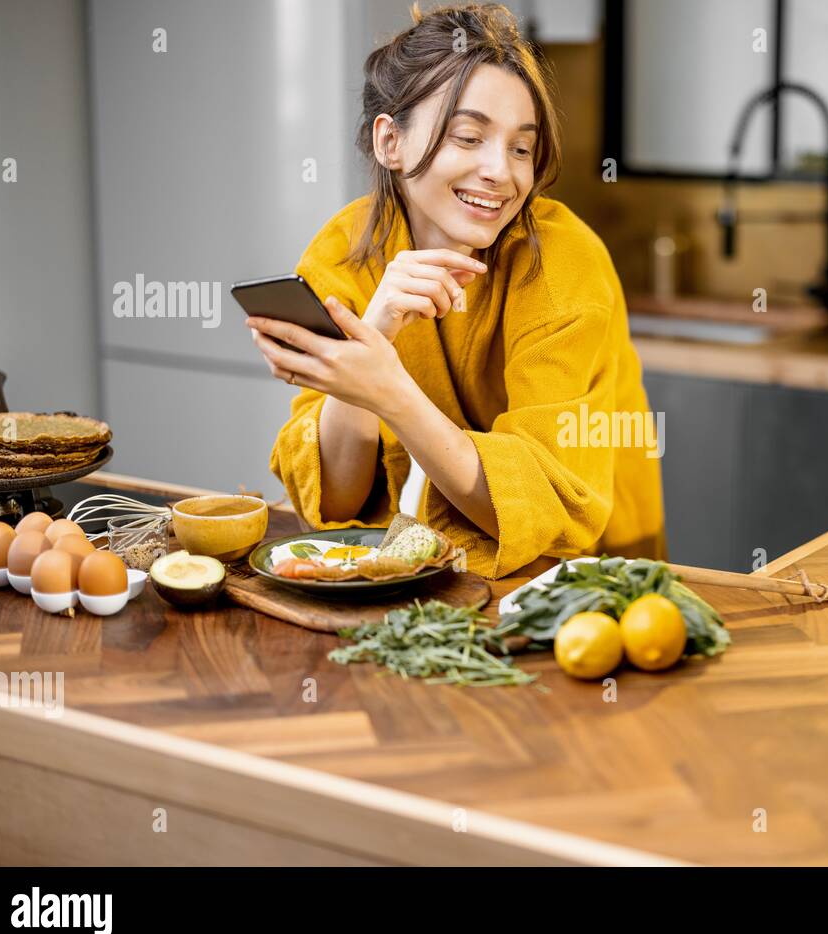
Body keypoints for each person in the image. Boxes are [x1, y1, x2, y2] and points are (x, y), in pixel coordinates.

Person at [247, 3, 666, 579]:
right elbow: (336, 504)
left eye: (521, 148)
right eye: (469, 137)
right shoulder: (343, 251)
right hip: (442, 576)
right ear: (390, 141)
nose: (501, 171)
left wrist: (391, 393)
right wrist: (370, 345)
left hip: (586, 567)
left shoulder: (563, 263)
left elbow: (542, 510)